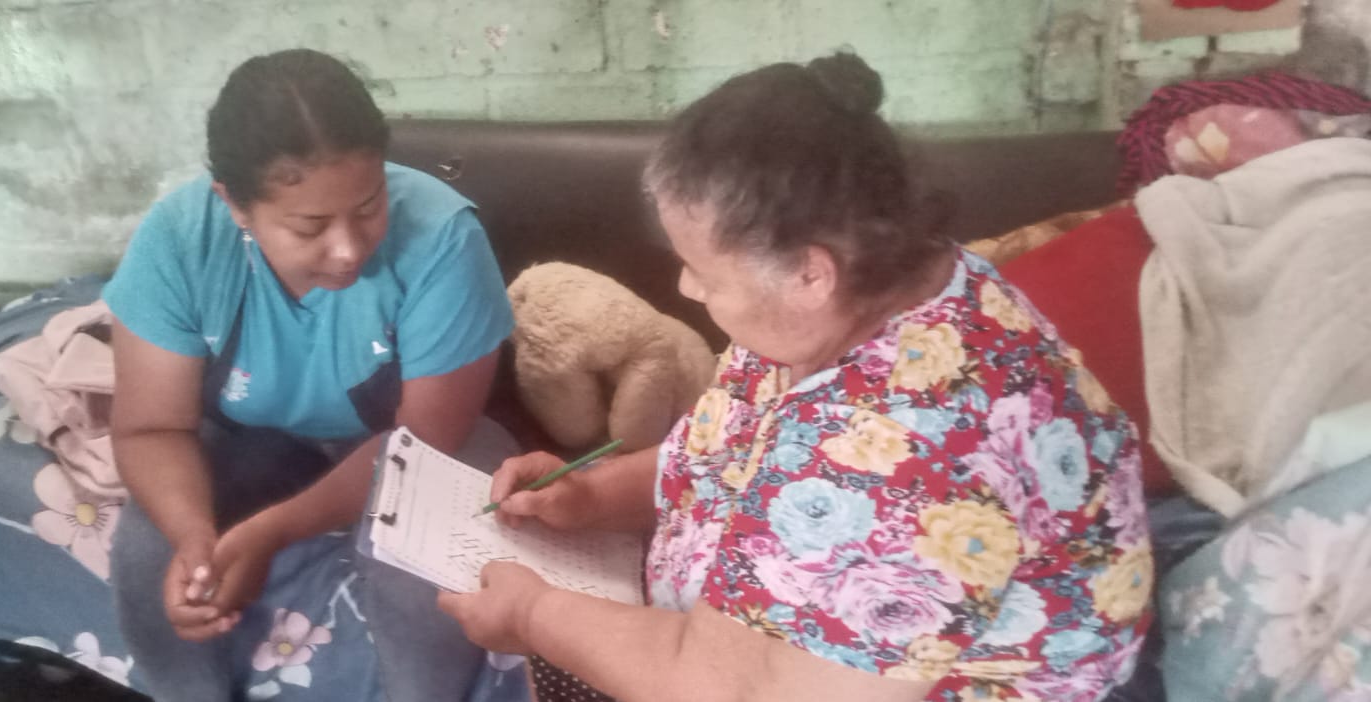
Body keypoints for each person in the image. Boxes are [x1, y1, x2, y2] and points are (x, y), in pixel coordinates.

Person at [438, 53, 1153, 702]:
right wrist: (590, 494)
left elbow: (731, 689)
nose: (687, 288)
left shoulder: (901, 457)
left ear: (810, 273)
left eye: (703, 271)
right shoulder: (869, 297)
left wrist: (533, 614)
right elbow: (726, 460)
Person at [103, 49, 516, 701]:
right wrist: (198, 542)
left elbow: (423, 446)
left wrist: (275, 529)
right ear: (235, 205)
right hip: (251, 439)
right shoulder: (180, 242)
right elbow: (152, 428)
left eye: (370, 205)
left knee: (424, 565)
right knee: (146, 551)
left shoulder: (443, 237)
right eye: (309, 226)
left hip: (413, 447)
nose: (348, 249)